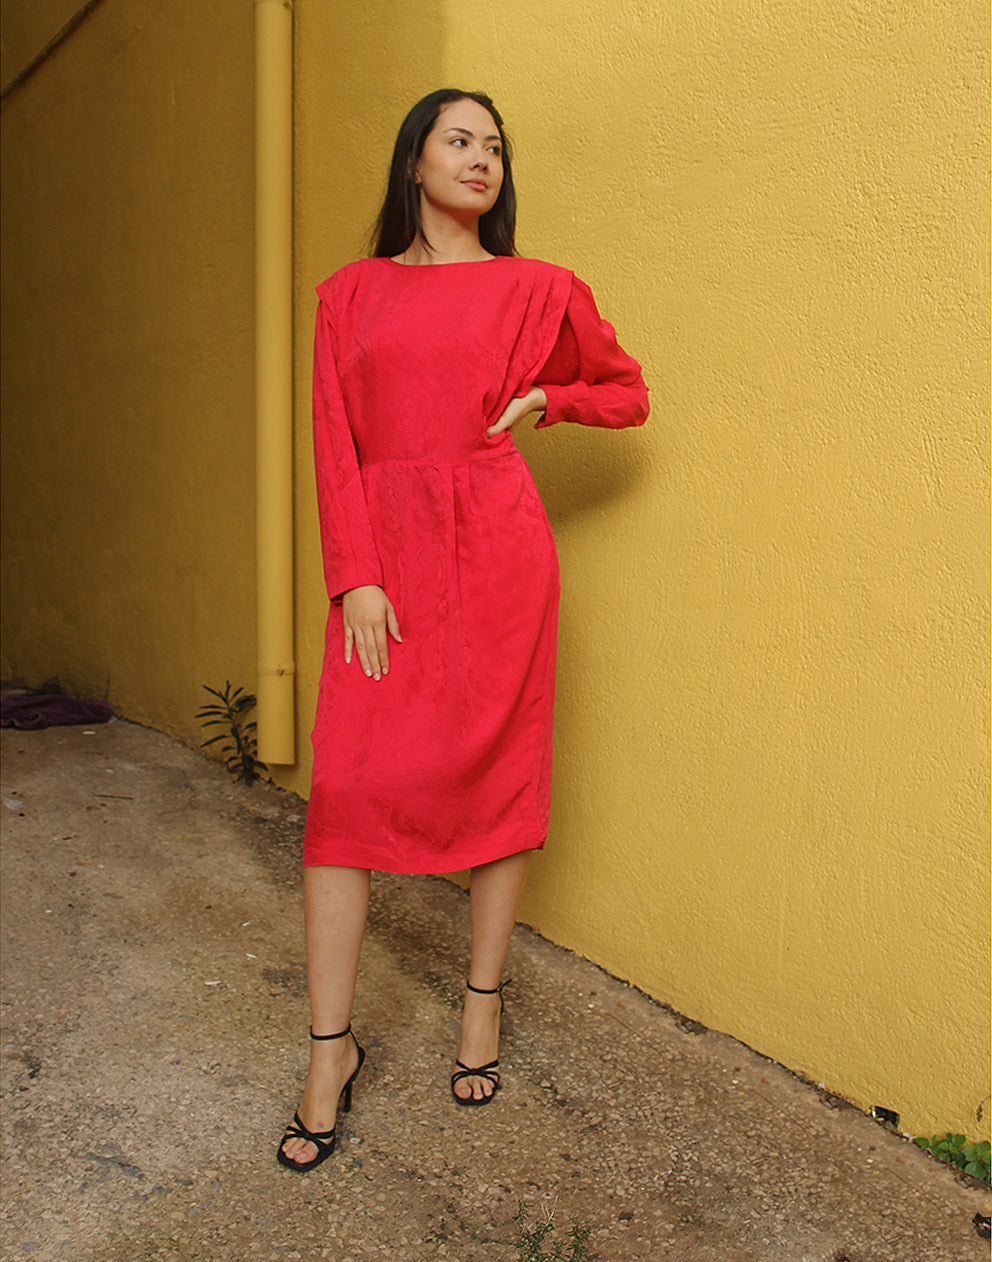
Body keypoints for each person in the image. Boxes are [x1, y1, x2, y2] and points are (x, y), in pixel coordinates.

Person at [278, 88, 649, 1172]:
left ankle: (479, 1003)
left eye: (493, 146)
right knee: (345, 792)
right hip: (384, 561)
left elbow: (626, 394)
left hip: (497, 552)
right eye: (458, 140)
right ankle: (328, 1047)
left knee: (496, 769)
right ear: (414, 163)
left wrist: (548, 401)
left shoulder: (540, 288)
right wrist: (354, 577)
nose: (479, 158)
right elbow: (329, 438)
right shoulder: (348, 294)